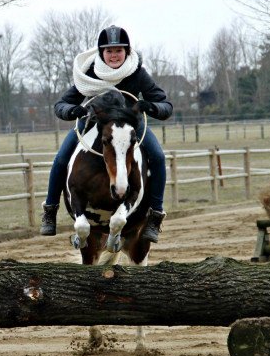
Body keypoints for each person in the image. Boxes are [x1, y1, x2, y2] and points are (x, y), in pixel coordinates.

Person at [40, 25, 173, 242]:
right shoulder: (90, 72)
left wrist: (151, 106)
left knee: (158, 157)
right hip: (93, 123)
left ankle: (155, 216)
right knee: (61, 158)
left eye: (119, 50)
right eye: (109, 51)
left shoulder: (137, 72)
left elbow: (165, 105)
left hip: (131, 125)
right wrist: (72, 110)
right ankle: (50, 210)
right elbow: (61, 104)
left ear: (127, 52)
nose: (114, 55)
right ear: (102, 52)